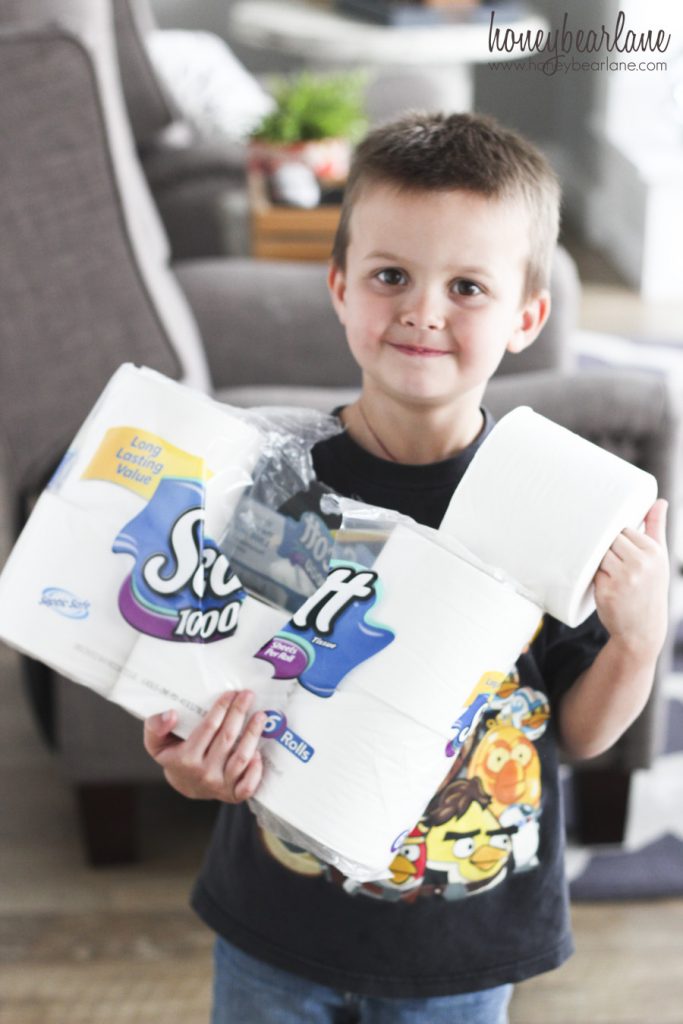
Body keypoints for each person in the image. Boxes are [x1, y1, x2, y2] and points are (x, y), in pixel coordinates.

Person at [143, 112, 670, 1023]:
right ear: (341, 287)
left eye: (468, 286)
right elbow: (203, 677)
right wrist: (187, 762)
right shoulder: (271, 477)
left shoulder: (556, 504)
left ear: (525, 318)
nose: (424, 310)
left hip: (462, 948)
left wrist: (638, 636)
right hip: (277, 924)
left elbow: (579, 736)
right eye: (392, 276)